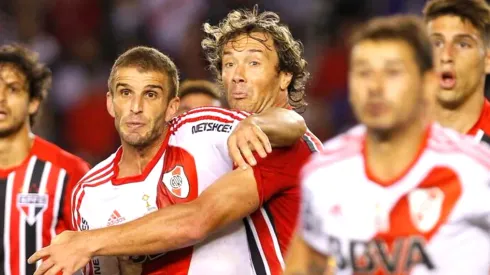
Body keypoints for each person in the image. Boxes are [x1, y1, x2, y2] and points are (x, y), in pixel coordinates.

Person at [29, 7, 322, 275]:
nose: (237, 76)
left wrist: (89, 242)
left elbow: (198, 219)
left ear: (285, 77)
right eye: (229, 64)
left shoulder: (271, 140)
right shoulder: (237, 132)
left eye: (253, 62)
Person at [284, 15, 490, 275]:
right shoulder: (323, 172)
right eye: (363, 72)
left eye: (393, 72)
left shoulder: (476, 170)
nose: (375, 87)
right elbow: (305, 265)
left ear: (427, 84)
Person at [0, 44, 90, 275]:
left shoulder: (68, 171)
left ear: (34, 102)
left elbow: (96, 254)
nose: (0, 97)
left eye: (12, 89)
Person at [424, 0, 490, 142]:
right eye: (437, 43)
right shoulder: (397, 136)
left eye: (463, 44)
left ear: (487, 60)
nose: (446, 56)